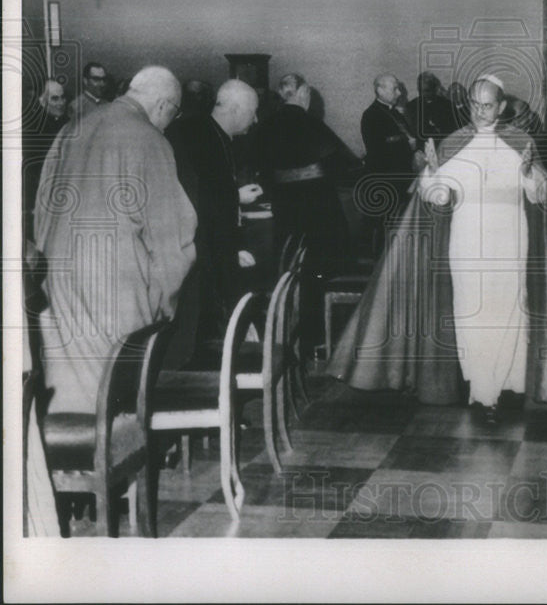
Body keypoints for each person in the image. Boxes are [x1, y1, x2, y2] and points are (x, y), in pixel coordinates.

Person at [329, 74, 547, 415]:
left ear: (501, 107)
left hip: (511, 237)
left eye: (488, 105)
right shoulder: (453, 143)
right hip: (466, 238)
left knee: (511, 306)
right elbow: (438, 197)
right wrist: (431, 172)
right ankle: (481, 387)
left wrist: (531, 174)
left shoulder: (521, 141)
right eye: (475, 105)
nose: (481, 112)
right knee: (471, 308)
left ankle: (510, 384)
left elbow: (542, 196)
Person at [34, 66, 196, 414]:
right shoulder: (150, 140)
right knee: (116, 396)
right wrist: (163, 307)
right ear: (164, 106)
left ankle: (69, 464)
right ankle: (117, 461)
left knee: (67, 390)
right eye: (173, 114)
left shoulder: (70, 129)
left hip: (56, 281)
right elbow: (171, 241)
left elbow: (42, 207)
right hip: (118, 285)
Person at [167, 79, 262, 367]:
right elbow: (199, 198)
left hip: (215, 248)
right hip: (198, 254)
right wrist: (235, 198)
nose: (256, 119)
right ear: (235, 109)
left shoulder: (214, 135)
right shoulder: (194, 134)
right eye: (253, 111)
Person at [256, 73, 354, 277]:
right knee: (322, 267)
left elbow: (259, 169)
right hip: (318, 211)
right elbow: (342, 165)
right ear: (302, 92)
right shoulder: (313, 124)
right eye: (308, 93)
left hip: (283, 209)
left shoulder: (265, 126)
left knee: (288, 266)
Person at [360, 73, 421, 253]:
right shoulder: (371, 115)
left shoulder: (395, 113)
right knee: (385, 230)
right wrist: (407, 144)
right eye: (394, 88)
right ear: (380, 90)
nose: (399, 92)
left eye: (399, 87)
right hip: (385, 179)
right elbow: (378, 148)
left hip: (401, 177)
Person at [22, 80, 69, 242]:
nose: (61, 103)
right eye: (55, 99)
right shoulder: (33, 129)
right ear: (42, 101)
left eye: (63, 98)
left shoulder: (68, 123)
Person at [405, 71, 456, 147]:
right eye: (420, 90)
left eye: (427, 91)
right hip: (421, 148)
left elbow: (452, 130)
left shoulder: (448, 105)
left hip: (444, 145)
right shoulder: (411, 106)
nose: (423, 94)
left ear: (434, 89)